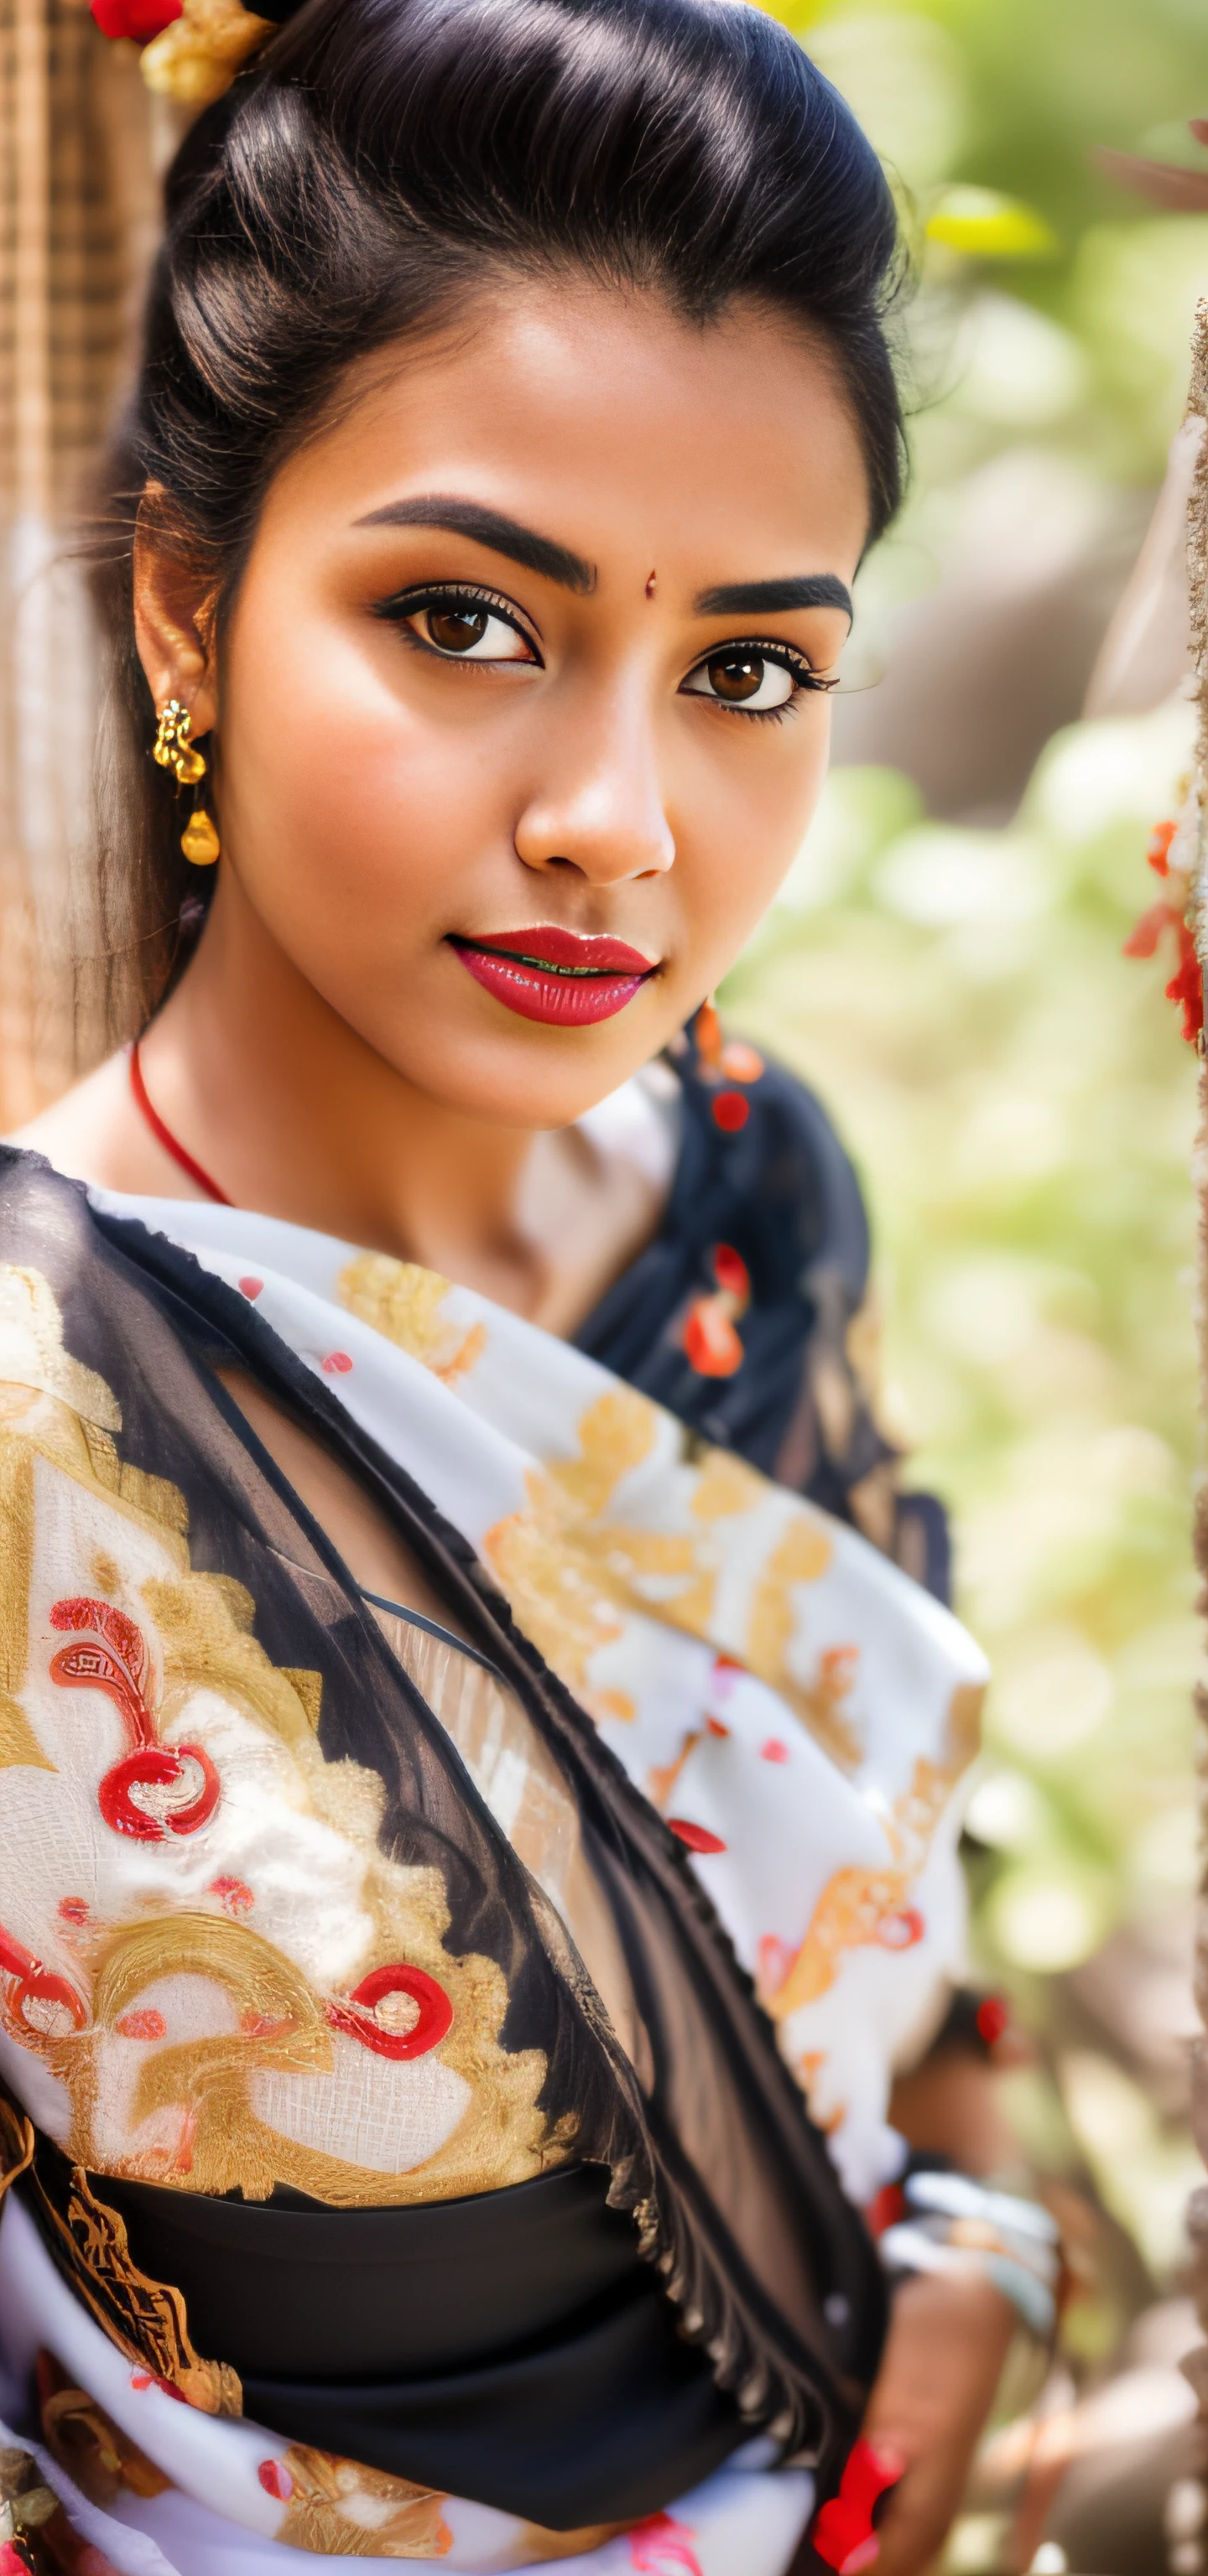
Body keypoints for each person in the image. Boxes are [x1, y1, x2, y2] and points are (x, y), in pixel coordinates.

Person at [0, 2, 1057, 2569]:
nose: (618, 821)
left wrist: (990, 2256)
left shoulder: (749, 1184)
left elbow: (929, 1892)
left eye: (753, 675)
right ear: (183, 610)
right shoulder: (32, 1437)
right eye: (469, 622)